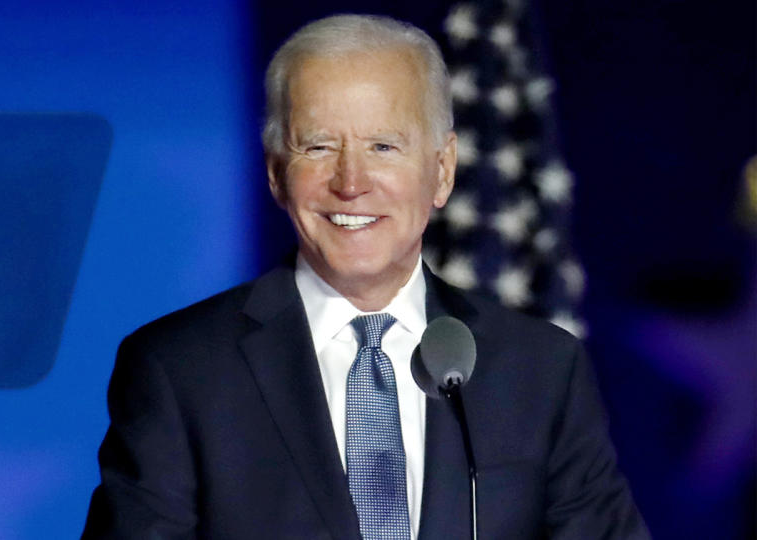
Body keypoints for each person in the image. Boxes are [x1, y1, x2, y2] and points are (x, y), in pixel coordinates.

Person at [82, 14, 649, 539]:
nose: (351, 182)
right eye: (319, 146)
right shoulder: (179, 370)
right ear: (278, 173)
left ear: (443, 171)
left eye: (383, 146)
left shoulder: (541, 370)